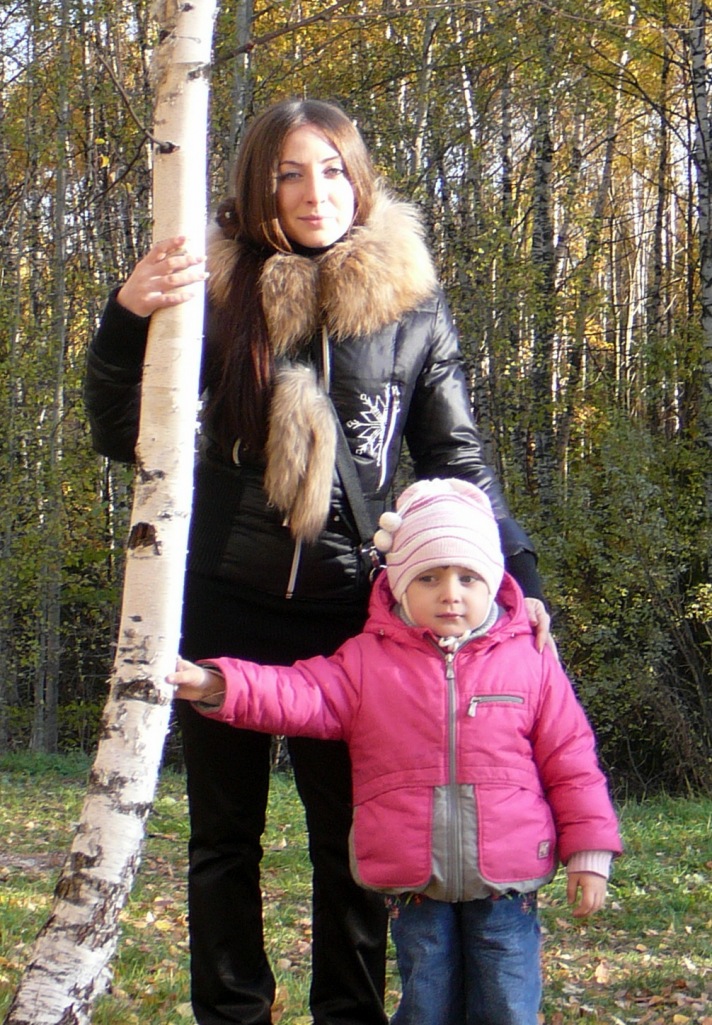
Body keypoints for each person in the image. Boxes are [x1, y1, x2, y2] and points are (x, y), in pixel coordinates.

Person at [84, 97, 553, 1025]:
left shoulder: (410, 302)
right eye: (290, 173)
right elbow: (119, 431)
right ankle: (233, 1014)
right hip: (222, 600)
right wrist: (127, 317)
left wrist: (519, 576)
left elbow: (456, 458)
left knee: (353, 841)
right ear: (258, 186)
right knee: (224, 840)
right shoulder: (217, 293)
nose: (314, 193)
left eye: (332, 170)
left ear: (359, 177)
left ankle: (349, 1014)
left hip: (353, 613)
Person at [168, 478, 623, 1025]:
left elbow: (573, 763)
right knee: (426, 999)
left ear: (494, 581)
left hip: (507, 879)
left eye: (468, 577)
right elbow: (298, 693)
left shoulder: (530, 661)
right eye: (428, 577)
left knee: (506, 1001)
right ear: (399, 586)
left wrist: (589, 853)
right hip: (415, 880)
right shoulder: (367, 662)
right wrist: (215, 683)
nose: (450, 593)